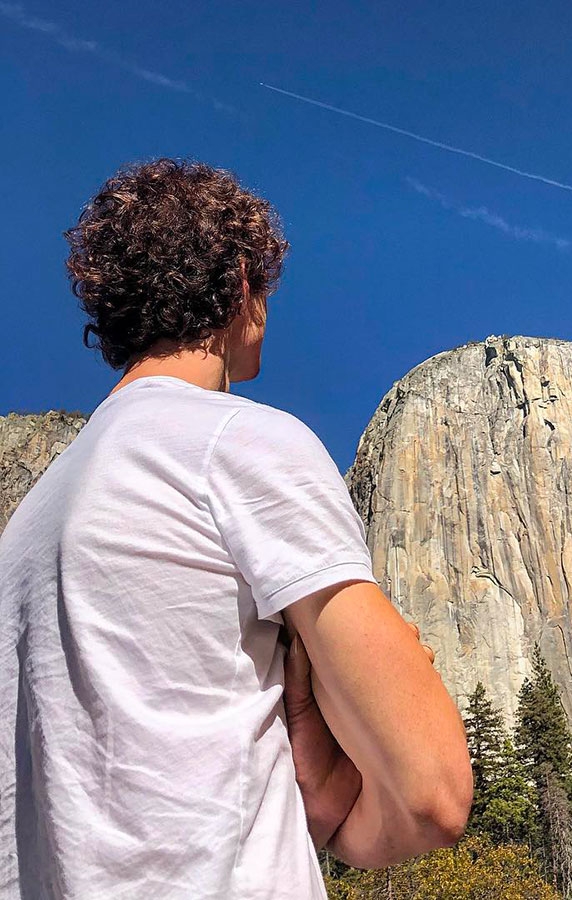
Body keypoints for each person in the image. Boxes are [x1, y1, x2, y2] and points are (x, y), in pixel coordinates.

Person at [0, 157, 473, 899]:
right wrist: (332, 819)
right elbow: (432, 793)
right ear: (243, 287)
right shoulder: (239, 443)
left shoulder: (23, 530)